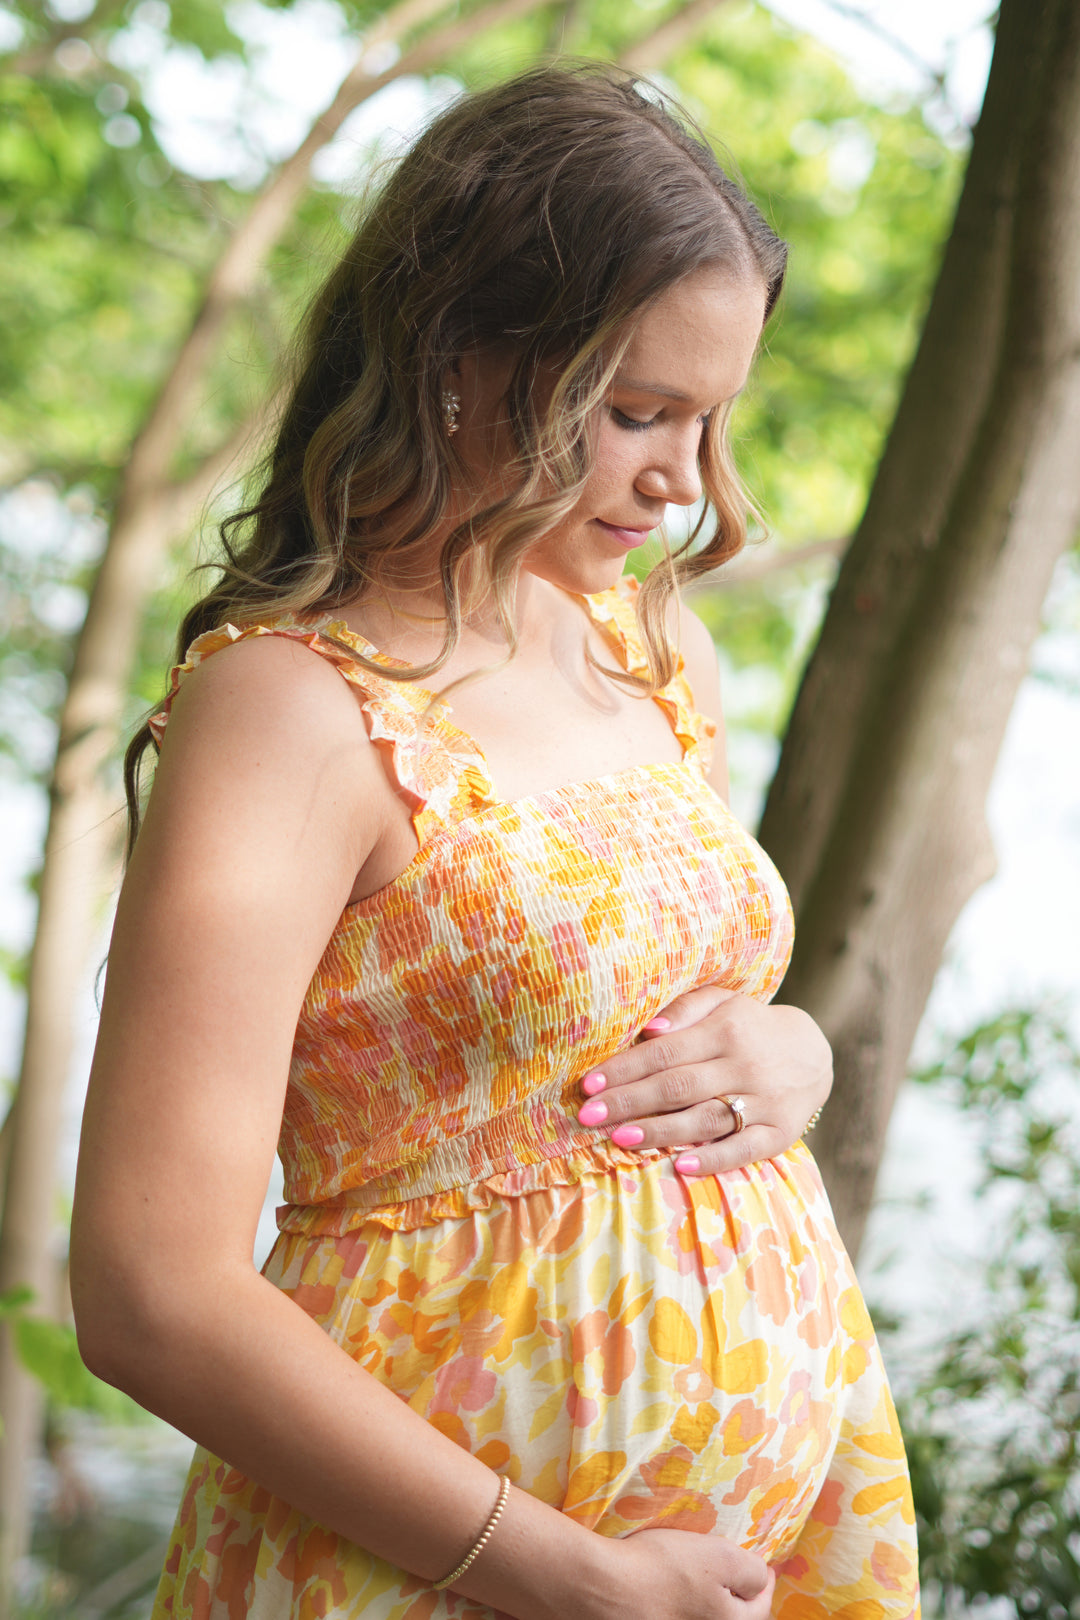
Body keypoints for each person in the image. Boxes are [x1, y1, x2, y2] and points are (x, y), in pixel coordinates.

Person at [70, 63, 919, 1620]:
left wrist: (794, 1056)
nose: (687, 484)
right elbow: (145, 1290)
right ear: (460, 355)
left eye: (713, 416)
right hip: (439, 1572)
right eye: (637, 412)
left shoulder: (652, 652)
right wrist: (574, 1577)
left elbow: (643, 1024)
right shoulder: (290, 710)